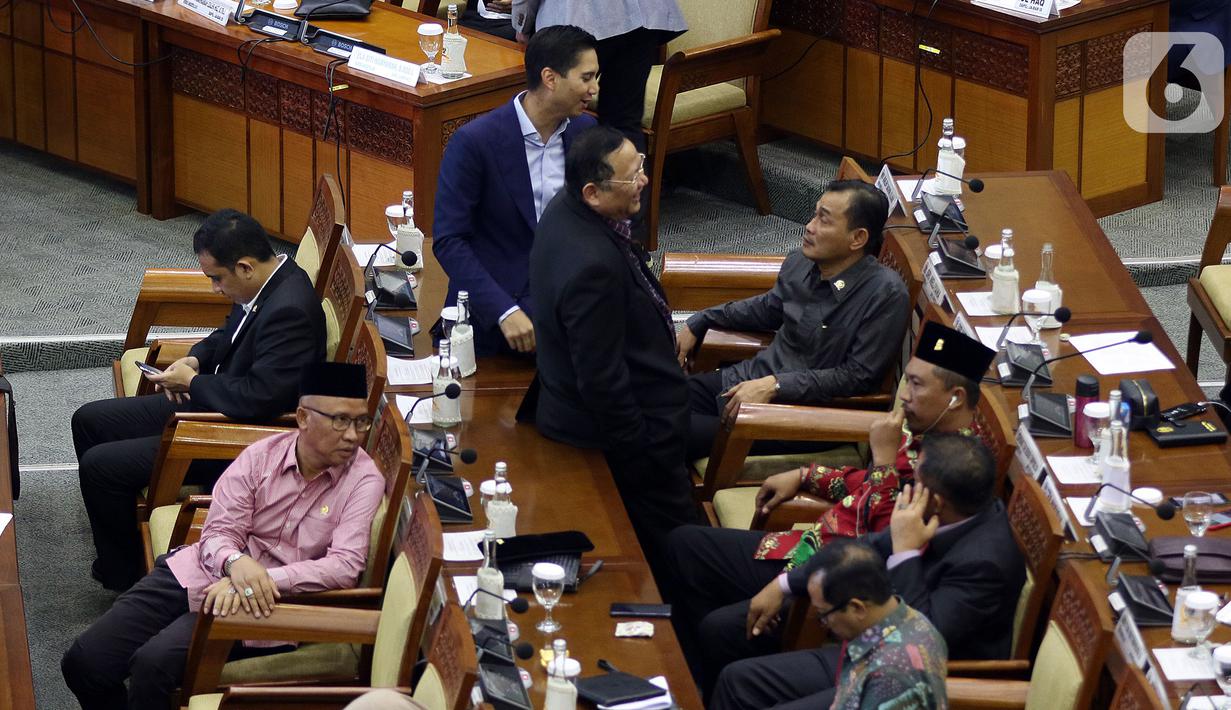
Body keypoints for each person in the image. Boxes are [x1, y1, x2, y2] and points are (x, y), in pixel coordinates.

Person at [666, 320, 993, 692]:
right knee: (685, 545)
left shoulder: (952, 470)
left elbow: (891, 533)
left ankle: (702, 687)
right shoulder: (926, 434)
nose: (904, 396)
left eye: (916, 385)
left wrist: (884, 462)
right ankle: (685, 669)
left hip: (846, 579)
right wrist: (807, 474)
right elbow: (863, 484)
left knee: (719, 629)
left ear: (955, 398)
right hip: (812, 545)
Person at [62, 362, 385, 710]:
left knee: (152, 665)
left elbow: (344, 566)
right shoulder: (261, 456)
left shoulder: (363, 481)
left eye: (360, 422)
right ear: (304, 417)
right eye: (340, 420)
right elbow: (218, 530)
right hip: (198, 572)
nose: (352, 435)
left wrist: (254, 580)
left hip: (264, 604)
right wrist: (235, 563)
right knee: (83, 662)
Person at [72, 209, 325, 591]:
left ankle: (125, 575)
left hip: (236, 435)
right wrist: (195, 359)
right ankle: (116, 541)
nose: (214, 289)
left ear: (243, 267)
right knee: (89, 420)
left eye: (216, 279)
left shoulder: (289, 310)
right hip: (214, 401)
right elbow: (229, 332)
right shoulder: (269, 282)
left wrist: (194, 382)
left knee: (101, 467)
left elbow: (260, 399)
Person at [708, 434, 1023, 709]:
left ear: (936, 502)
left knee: (739, 684)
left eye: (915, 479)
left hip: (906, 675)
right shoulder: (953, 510)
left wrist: (906, 551)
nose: (907, 485)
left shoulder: (985, 563)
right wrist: (786, 583)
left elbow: (920, 637)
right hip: (872, 635)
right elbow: (862, 549)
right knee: (722, 638)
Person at [529, 125, 700, 575]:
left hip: (601, 404)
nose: (643, 179)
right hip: (619, 437)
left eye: (640, 166)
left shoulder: (563, 212)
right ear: (592, 192)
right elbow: (602, 380)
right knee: (679, 550)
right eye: (632, 177)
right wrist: (642, 453)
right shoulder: (593, 267)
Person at [677, 180, 910, 460]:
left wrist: (776, 385)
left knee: (668, 430)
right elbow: (765, 309)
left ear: (857, 238)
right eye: (814, 215)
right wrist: (700, 320)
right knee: (654, 396)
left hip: (795, 414)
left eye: (824, 220)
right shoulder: (800, 262)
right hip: (748, 380)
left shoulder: (884, 294)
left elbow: (856, 377)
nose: (810, 227)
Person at [433, 25, 599, 356]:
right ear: (550, 78)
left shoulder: (586, 132)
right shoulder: (474, 143)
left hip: (566, 302)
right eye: (586, 78)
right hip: (495, 312)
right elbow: (449, 241)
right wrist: (503, 311)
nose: (594, 89)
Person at [713, 539, 947, 710]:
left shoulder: (892, 678)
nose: (824, 625)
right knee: (737, 680)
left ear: (857, 608)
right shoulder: (906, 616)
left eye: (824, 614)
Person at [511, 0, 686, 152]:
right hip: (644, 18)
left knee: (558, 117)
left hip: (579, 18)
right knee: (624, 123)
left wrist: (522, 23)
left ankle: (558, 187)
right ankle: (629, 188)